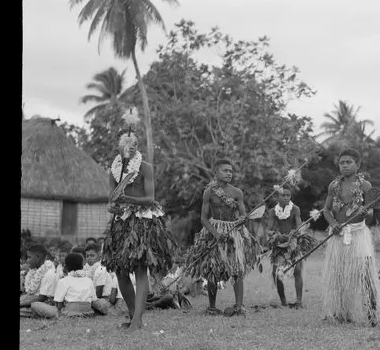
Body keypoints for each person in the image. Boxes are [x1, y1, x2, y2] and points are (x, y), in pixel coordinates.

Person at [101, 108, 179, 332]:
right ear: (119, 145)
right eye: (127, 143)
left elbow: (150, 199)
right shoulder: (114, 169)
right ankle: (135, 316)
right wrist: (112, 205)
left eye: (134, 143)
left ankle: (136, 320)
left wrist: (128, 198)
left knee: (140, 270)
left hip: (143, 222)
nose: (131, 146)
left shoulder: (145, 168)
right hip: (121, 223)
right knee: (120, 271)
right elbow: (111, 200)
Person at [186, 159, 262, 317]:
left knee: (237, 269)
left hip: (233, 232)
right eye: (225, 170)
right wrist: (215, 234)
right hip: (214, 230)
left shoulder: (237, 192)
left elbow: (243, 215)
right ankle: (212, 307)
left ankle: (239, 307)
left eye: (231, 171)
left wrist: (242, 219)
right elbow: (203, 218)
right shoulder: (209, 192)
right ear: (216, 173)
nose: (229, 173)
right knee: (213, 270)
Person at [321, 148, 380, 327]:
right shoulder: (334, 185)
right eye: (342, 162)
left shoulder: (365, 186)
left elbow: (371, 213)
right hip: (338, 235)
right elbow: (326, 209)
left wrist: (365, 213)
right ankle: (340, 311)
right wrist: (333, 224)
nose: (345, 165)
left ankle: (372, 312)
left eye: (348, 162)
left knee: (365, 273)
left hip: (358, 234)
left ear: (358, 165)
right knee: (339, 274)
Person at [266, 186, 315, 308]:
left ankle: (299, 301)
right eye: (283, 195)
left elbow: (299, 225)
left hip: (293, 243)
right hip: (278, 244)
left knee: (297, 271)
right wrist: (275, 235)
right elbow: (269, 229)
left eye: (288, 195)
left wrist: (294, 233)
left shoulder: (295, 209)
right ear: (277, 197)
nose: (286, 197)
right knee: (275, 273)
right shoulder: (273, 211)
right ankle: (283, 300)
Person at [29, 253, 107, 318]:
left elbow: (58, 305)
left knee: (35, 305)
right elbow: (94, 300)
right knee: (102, 302)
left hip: (67, 313)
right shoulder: (89, 280)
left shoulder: (63, 281)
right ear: (82, 266)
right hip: (88, 312)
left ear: (66, 267)